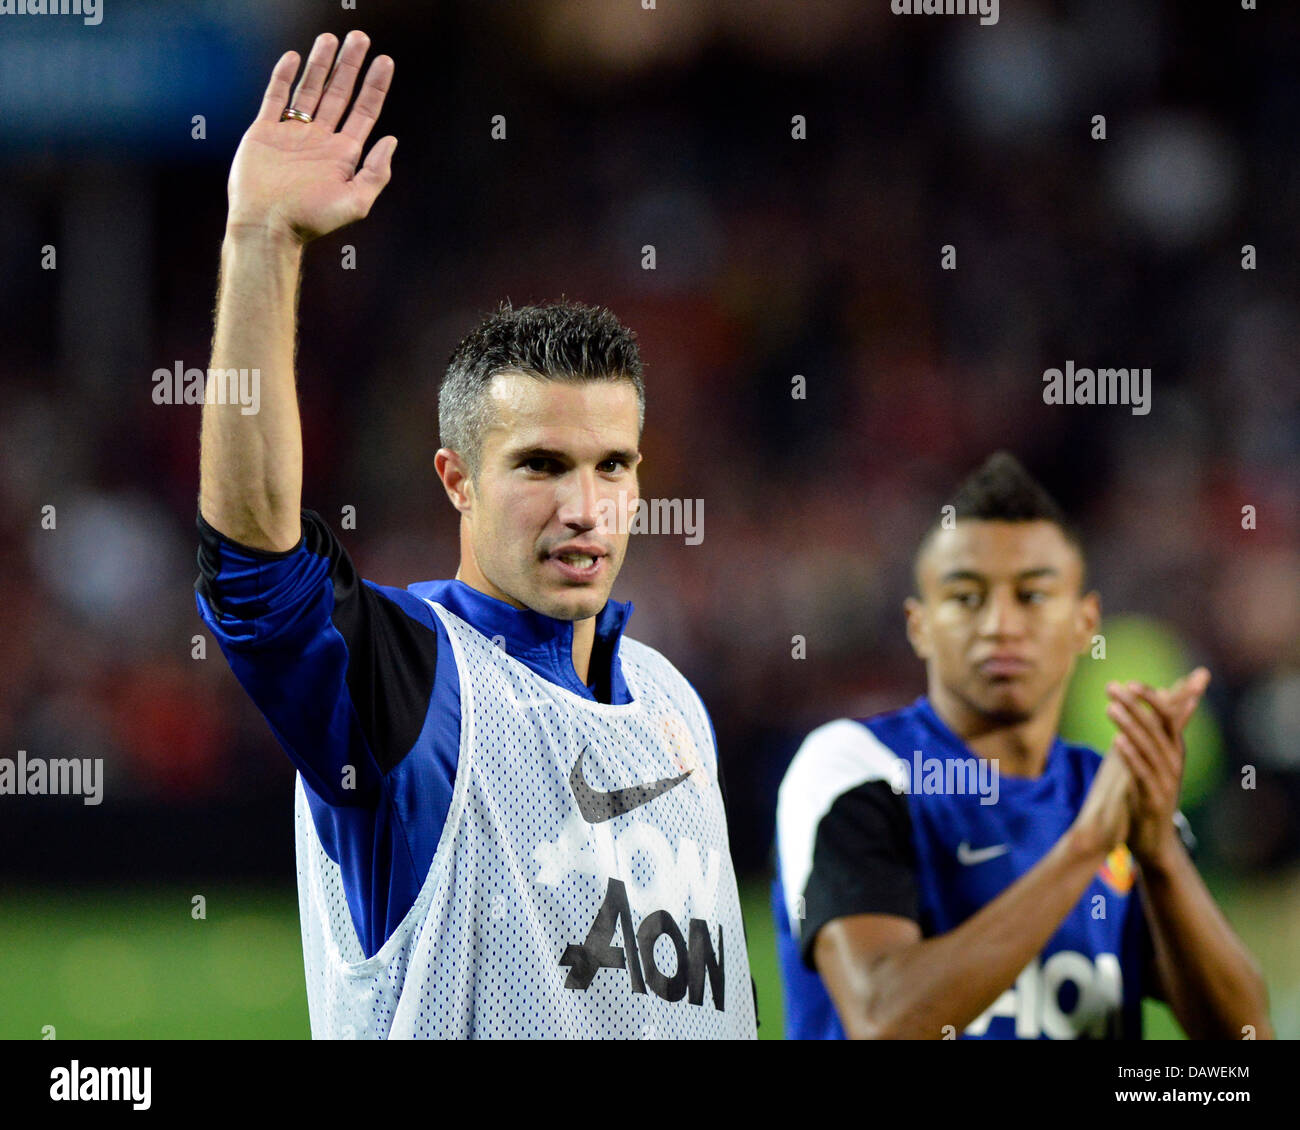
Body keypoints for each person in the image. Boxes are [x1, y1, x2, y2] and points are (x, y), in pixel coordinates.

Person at [195, 30, 756, 1039]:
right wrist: (262, 244)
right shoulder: (416, 681)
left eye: (611, 466)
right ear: (456, 478)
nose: (583, 507)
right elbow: (253, 572)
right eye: (540, 465)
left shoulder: (675, 706)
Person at [773, 451, 1272, 1039]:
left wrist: (1159, 851)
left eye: (1032, 596)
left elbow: (1243, 1040)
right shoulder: (857, 767)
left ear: (1086, 623)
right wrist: (1086, 845)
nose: (999, 625)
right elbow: (886, 1021)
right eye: (966, 597)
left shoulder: (1111, 792)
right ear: (920, 624)